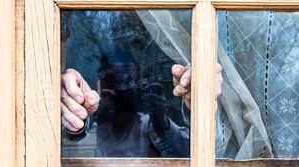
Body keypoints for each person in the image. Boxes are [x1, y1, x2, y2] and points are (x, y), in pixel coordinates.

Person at [60, 10, 223, 158]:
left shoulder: (195, 15)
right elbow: (77, 105)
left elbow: (225, 130)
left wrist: (198, 101)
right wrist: (75, 102)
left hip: (187, 162)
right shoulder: (92, 16)